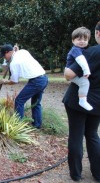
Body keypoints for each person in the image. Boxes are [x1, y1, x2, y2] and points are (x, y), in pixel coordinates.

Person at [63, 21, 100, 182]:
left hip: (78, 101)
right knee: (92, 135)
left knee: (76, 135)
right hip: (98, 102)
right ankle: (98, 173)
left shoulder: (91, 52)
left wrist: (66, 70)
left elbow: (69, 74)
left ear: (97, 34)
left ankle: (76, 174)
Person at [0, 44, 48, 129]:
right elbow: (18, 52)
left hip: (36, 81)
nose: (4, 58)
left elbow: (14, 81)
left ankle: (18, 127)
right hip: (44, 78)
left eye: (4, 55)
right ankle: (37, 125)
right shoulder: (23, 51)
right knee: (36, 103)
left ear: (9, 52)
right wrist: (15, 51)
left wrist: (5, 81)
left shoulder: (14, 63)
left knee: (19, 101)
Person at [65, 27, 92, 111]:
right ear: (73, 40)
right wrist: (86, 70)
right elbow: (81, 61)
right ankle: (82, 101)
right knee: (85, 83)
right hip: (70, 72)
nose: (82, 41)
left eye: (85, 39)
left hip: (72, 72)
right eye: (79, 39)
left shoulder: (81, 49)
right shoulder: (75, 50)